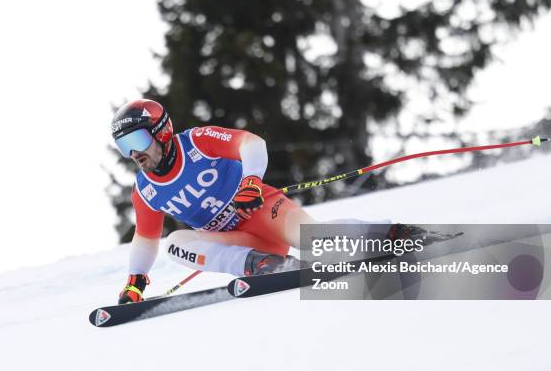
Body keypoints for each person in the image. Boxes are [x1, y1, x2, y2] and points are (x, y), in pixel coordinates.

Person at [111, 98, 399, 304]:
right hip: (242, 244)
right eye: (124, 146)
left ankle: (392, 234)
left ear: (161, 131)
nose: (133, 153)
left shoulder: (196, 142)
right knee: (174, 244)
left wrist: (251, 181)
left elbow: (252, 143)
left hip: (264, 211)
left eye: (136, 140)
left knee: (313, 240)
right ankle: (262, 265)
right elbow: (146, 238)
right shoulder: (145, 190)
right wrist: (135, 281)